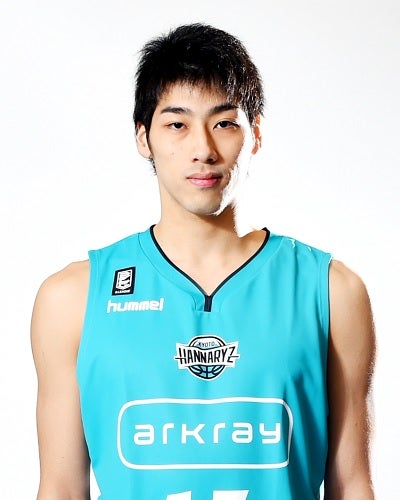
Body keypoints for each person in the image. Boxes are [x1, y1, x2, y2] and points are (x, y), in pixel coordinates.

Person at [30, 23, 376, 499]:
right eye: (177, 124)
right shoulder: (73, 298)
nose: (203, 150)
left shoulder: (332, 291)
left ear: (255, 134)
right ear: (143, 138)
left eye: (224, 123)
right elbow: (61, 489)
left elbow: (352, 484)